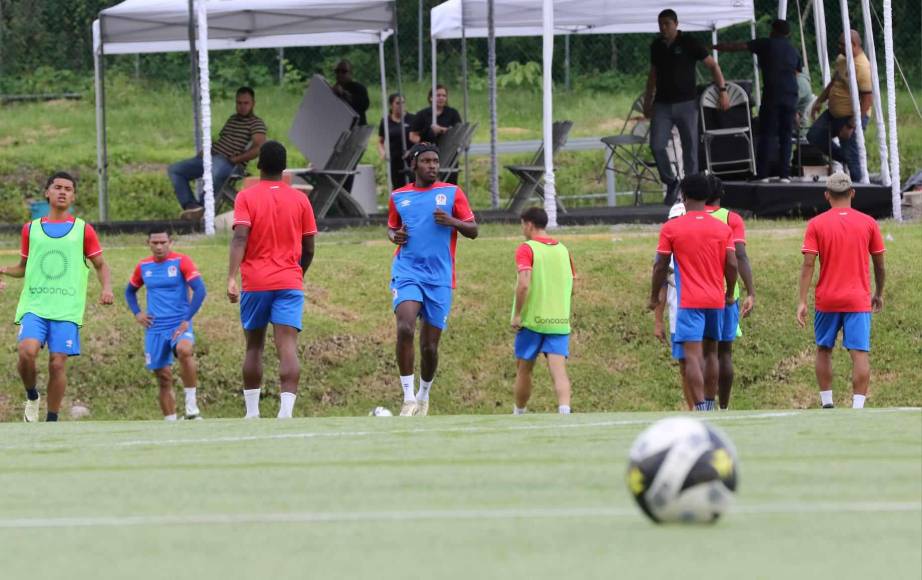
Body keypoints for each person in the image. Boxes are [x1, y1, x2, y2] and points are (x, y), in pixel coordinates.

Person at [0, 172, 114, 422]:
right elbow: (23, 267)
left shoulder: (83, 229)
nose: (63, 192)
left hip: (67, 308)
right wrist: (5, 270)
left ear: (73, 196)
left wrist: (107, 288)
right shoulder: (31, 229)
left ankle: (51, 421)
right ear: (47, 193)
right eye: (58, 187)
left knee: (57, 363)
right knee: (26, 352)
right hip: (35, 305)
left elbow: (100, 265)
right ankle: (32, 396)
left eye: (68, 189)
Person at [227, 141, 317, 419]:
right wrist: (297, 272)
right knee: (287, 347)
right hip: (289, 281)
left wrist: (231, 277)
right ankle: (285, 412)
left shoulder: (246, 196)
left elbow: (240, 236)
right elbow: (310, 246)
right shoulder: (300, 199)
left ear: (259, 165)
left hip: (255, 282)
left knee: (254, 346)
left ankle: (252, 413)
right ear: (284, 167)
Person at [387, 143, 478, 417]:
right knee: (404, 327)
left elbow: (473, 230)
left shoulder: (452, 193)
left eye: (435, 161)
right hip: (407, 272)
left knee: (429, 347)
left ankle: (424, 395)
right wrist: (395, 237)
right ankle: (407, 398)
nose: (432, 166)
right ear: (415, 165)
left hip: (439, 278)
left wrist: (453, 222)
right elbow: (392, 229)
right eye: (426, 161)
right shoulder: (399, 196)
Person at [796, 172, 885, 409]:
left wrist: (802, 300)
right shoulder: (868, 223)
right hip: (858, 298)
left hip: (827, 298)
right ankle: (857, 407)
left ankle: (827, 403)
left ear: (827, 195)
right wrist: (879, 292)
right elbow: (879, 264)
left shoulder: (816, 224)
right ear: (852, 193)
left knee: (824, 349)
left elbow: (808, 264)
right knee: (859, 352)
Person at [649, 173, 737, 411]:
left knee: (692, 356)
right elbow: (732, 264)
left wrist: (652, 296)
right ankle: (710, 403)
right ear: (708, 196)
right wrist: (729, 292)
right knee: (712, 353)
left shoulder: (672, 228)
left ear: (683, 196)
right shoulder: (722, 228)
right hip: (715, 299)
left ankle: (699, 408)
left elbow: (660, 266)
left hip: (689, 301)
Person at [643, 9, 730, 205]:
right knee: (656, 145)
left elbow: (713, 65)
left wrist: (722, 90)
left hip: (686, 104)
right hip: (662, 104)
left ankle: (692, 191)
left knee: (690, 147)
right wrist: (648, 100)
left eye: (667, 24)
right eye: (660, 24)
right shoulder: (656, 46)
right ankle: (671, 181)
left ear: (676, 24)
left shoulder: (689, 42)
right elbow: (653, 75)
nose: (663, 28)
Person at [125, 228, 207, 421]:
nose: (159, 246)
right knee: (163, 377)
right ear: (149, 244)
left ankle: (192, 408)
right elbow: (130, 292)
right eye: (155, 243)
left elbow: (200, 290)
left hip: (178, 325)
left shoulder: (181, 261)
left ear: (170, 242)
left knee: (185, 351)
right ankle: (170, 421)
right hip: (154, 329)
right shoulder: (143, 266)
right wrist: (137, 313)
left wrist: (187, 319)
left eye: (163, 242)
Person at [713, 19, 802, 182]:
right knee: (786, 135)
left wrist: (716, 47)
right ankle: (784, 174)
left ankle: (762, 174)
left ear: (773, 30)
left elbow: (738, 47)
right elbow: (797, 71)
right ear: (788, 33)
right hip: (791, 95)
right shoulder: (793, 50)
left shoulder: (766, 44)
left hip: (773, 94)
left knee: (767, 133)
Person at [511, 207, 575, 415]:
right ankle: (564, 411)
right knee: (559, 371)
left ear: (529, 224)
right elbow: (573, 282)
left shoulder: (527, 248)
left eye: (522, 225)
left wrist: (518, 314)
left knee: (524, 369)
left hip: (532, 320)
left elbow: (523, 284)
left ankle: (519, 412)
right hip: (558, 320)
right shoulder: (563, 249)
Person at [168, 87, 267, 220]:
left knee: (217, 168)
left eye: (246, 103)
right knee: (175, 169)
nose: (242, 106)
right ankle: (191, 206)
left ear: (253, 103)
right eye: (239, 103)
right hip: (213, 157)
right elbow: (223, 141)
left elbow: (258, 148)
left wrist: (236, 159)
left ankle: (202, 206)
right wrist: (207, 151)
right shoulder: (232, 119)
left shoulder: (256, 123)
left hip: (230, 163)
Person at [704, 175, 755, 410]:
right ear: (721, 194)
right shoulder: (731, 219)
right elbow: (739, 257)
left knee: (704, 354)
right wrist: (750, 291)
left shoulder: (688, 217)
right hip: (727, 293)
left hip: (696, 293)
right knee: (725, 353)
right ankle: (723, 408)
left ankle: (705, 405)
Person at [806, 31, 873, 181]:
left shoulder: (862, 67)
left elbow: (868, 100)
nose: (839, 46)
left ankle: (858, 190)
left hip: (851, 116)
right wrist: (819, 101)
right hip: (833, 113)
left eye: (842, 44)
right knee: (814, 135)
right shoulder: (842, 59)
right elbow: (834, 81)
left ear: (854, 45)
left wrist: (850, 125)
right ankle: (846, 157)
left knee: (852, 157)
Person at [652, 202, 694, 410]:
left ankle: (708, 407)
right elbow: (661, 287)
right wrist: (658, 321)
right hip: (678, 315)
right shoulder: (665, 251)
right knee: (685, 367)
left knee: (703, 361)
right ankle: (693, 409)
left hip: (702, 310)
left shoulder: (700, 244)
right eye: (673, 222)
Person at [378, 93, 415, 190]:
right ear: (391, 105)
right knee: (398, 186)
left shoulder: (413, 119)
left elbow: (420, 138)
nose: (401, 106)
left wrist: (412, 151)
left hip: (411, 159)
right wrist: (382, 152)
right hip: (394, 160)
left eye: (403, 102)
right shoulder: (385, 122)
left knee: (413, 185)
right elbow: (380, 141)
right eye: (398, 103)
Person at [332, 60, 370, 126]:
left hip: (356, 128)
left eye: (344, 71)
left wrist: (344, 93)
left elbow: (364, 105)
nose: (339, 74)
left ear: (351, 73)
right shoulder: (332, 90)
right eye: (337, 71)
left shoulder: (358, 88)